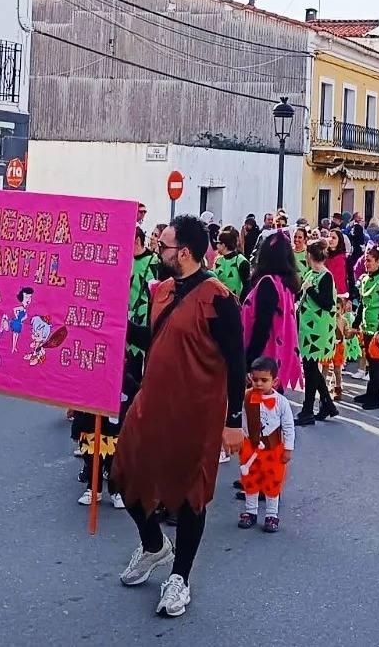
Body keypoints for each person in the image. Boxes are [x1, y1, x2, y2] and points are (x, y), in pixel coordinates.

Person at [110, 215, 246, 619]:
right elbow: (156, 338)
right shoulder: (162, 291)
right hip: (151, 403)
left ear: (184, 252)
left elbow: (237, 363)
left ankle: (180, 578)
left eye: (163, 245)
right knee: (123, 477)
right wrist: (117, 325)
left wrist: (233, 420)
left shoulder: (219, 298)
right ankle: (154, 545)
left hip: (197, 413)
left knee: (189, 498)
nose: (157, 249)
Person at [71, 227, 157, 507]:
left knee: (122, 410)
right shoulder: (110, 264)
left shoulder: (153, 264)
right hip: (101, 346)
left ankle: (117, 478)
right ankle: (92, 474)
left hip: (131, 341)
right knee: (90, 420)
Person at [237, 356, 295, 532]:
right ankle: (250, 512)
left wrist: (288, 448)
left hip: (273, 449)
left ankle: (271, 515)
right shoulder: (246, 397)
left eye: (264, 380)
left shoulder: (281, 402)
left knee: (272, 481)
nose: (259, 384)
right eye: (255, 380)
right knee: (250, 480)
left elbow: (288, 426)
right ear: (249, 378)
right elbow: (239, 421)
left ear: (275, 381)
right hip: (250, 446)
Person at [241, 230, 303, 392]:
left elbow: (262, 326)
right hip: (278, 358)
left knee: (258, 411)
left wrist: (248, 363)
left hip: (263, 360)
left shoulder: (268, 284)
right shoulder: (286, 284)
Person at [295, 239, 338, 426]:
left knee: (310, 368)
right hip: (306, 326)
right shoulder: (310, 273)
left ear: (309, 256)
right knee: (310, 368)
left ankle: (308, 409)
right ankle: (327, 404)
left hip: (318, 329)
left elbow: (327, 303)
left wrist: (310, 290)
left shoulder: (325, 276)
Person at [352, 247, 379, 410]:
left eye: (369, 261)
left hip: (378, 327)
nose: (366, 263)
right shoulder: (365, 279)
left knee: (376, 363)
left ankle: (375, 398)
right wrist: (355, 324)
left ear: (378, 262)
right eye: (365, 260)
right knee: (369, 360)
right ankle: (369, 393)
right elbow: (363, 303)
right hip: (367, 325)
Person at [212, 225, 250, 300]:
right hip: (219, 303)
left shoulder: (241, 261)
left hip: (236, 305)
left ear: (223, 245)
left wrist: (241, 304)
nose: (216, 245)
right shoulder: (217, 260)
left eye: (218, 243)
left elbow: (247, 287)